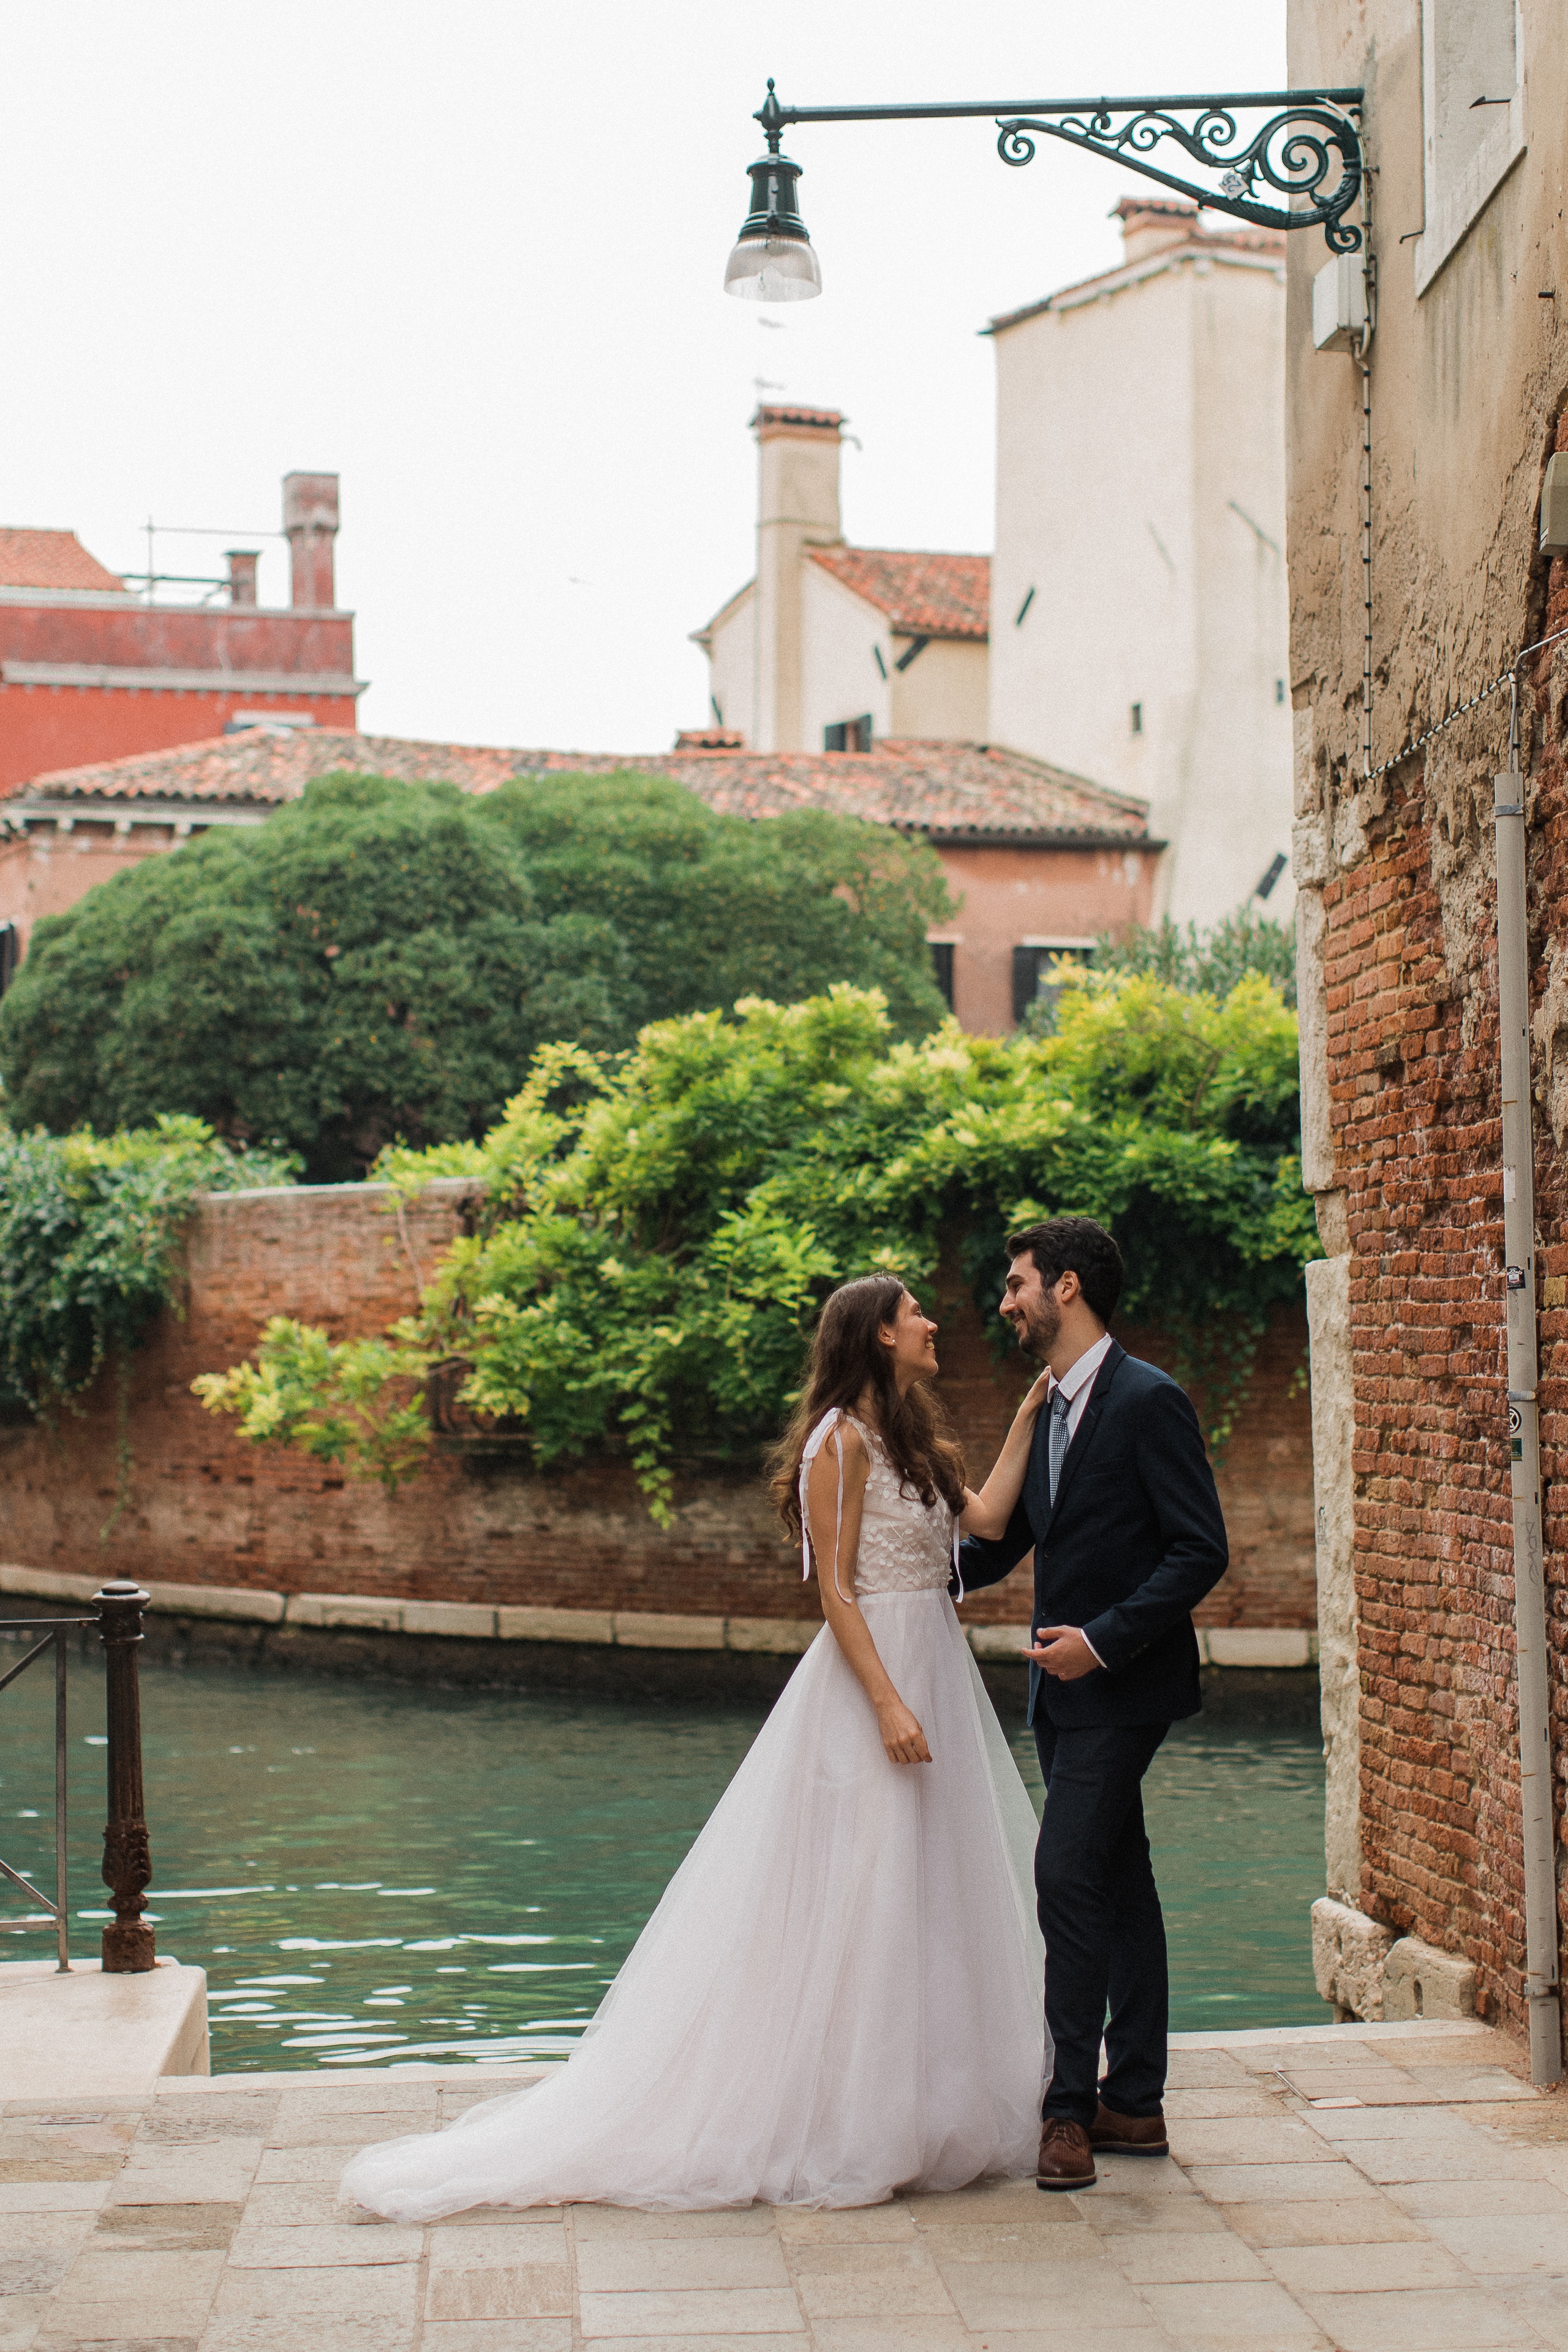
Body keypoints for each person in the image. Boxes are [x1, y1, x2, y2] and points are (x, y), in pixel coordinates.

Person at [341, 1272, 1055, 2217]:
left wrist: (1032, 1413)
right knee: (862, 1890)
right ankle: (846, 2116)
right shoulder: (837, 1442)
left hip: (941, 1672)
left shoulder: (914, 1439)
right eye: (915, 1312)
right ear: (880, 1335)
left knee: (928, 1889)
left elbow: (993, 1521)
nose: (932, 1322)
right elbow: (835, 1591)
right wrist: (885, 1701)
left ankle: (923, 2105)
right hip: (878, 1678)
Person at [959, 1216, 1229, 2192]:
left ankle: (1068, 2111)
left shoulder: (1151, 1400)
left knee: (1065, 1871)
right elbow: (1003, 1545)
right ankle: (1138, 2102)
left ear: (1067, 1287)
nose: (1007, 1301)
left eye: (1018, 1283)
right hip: (1055, 1693)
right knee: (1119, 1879)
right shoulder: (1044, 1410)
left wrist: (1102, 1640)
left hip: (1125, 1685)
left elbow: (1201, 1549)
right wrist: (909, 1578)